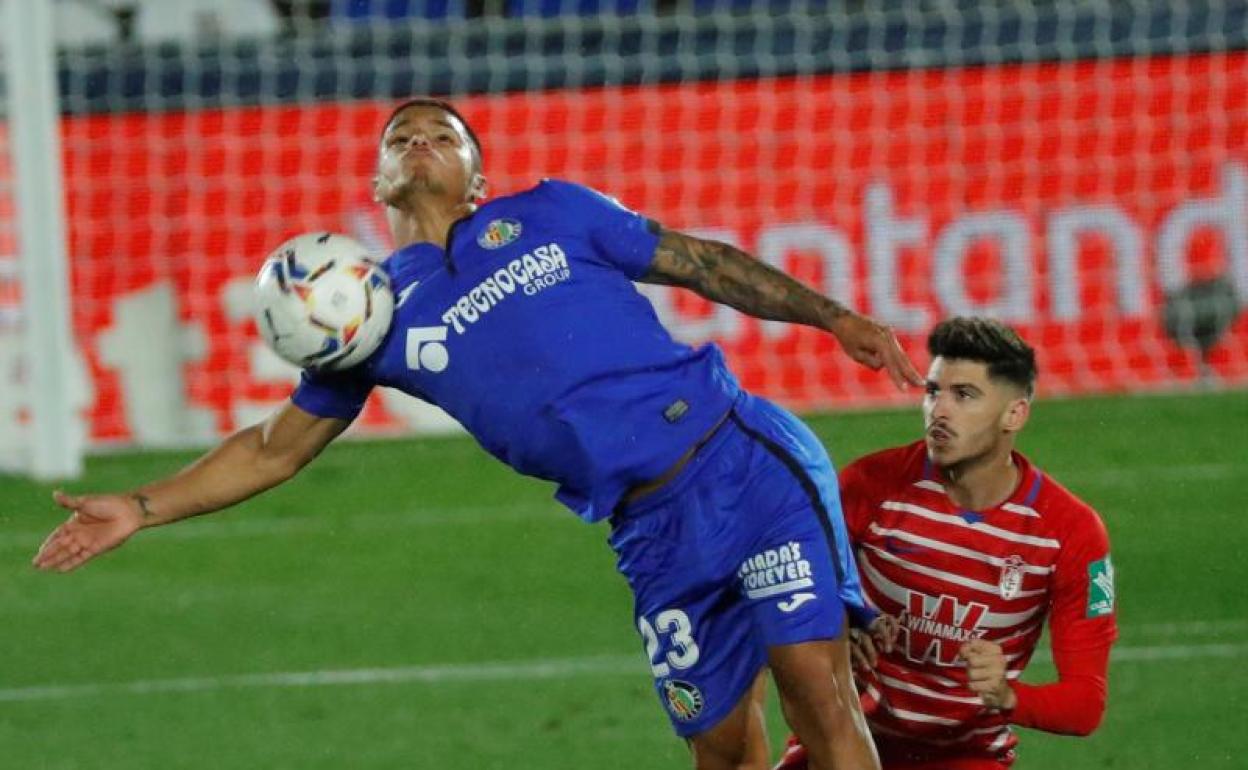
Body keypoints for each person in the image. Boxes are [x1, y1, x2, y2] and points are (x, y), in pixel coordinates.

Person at [34, 97, 922, 770]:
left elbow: (703, 262)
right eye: (401, 138)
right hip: (650, 531)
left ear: (478, 177)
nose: (420, 143)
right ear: (378, 181)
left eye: (442, 135)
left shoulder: (556, 212)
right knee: (722, 749)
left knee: (819, 696)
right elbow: (275, 447)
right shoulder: (371, 316)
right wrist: (140, 507)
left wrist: (833, 316)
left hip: (739, 462)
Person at [773, 317, 1118, 770]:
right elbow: (789, 590)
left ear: (1014, 414)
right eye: (933, 391)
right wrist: (839, 624)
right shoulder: (869, 486)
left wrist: (1008, 695)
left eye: (964, 395)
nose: (939, 411)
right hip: (846, 740)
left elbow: (1085, 705)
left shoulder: (1069, 533)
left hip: (964, 757)